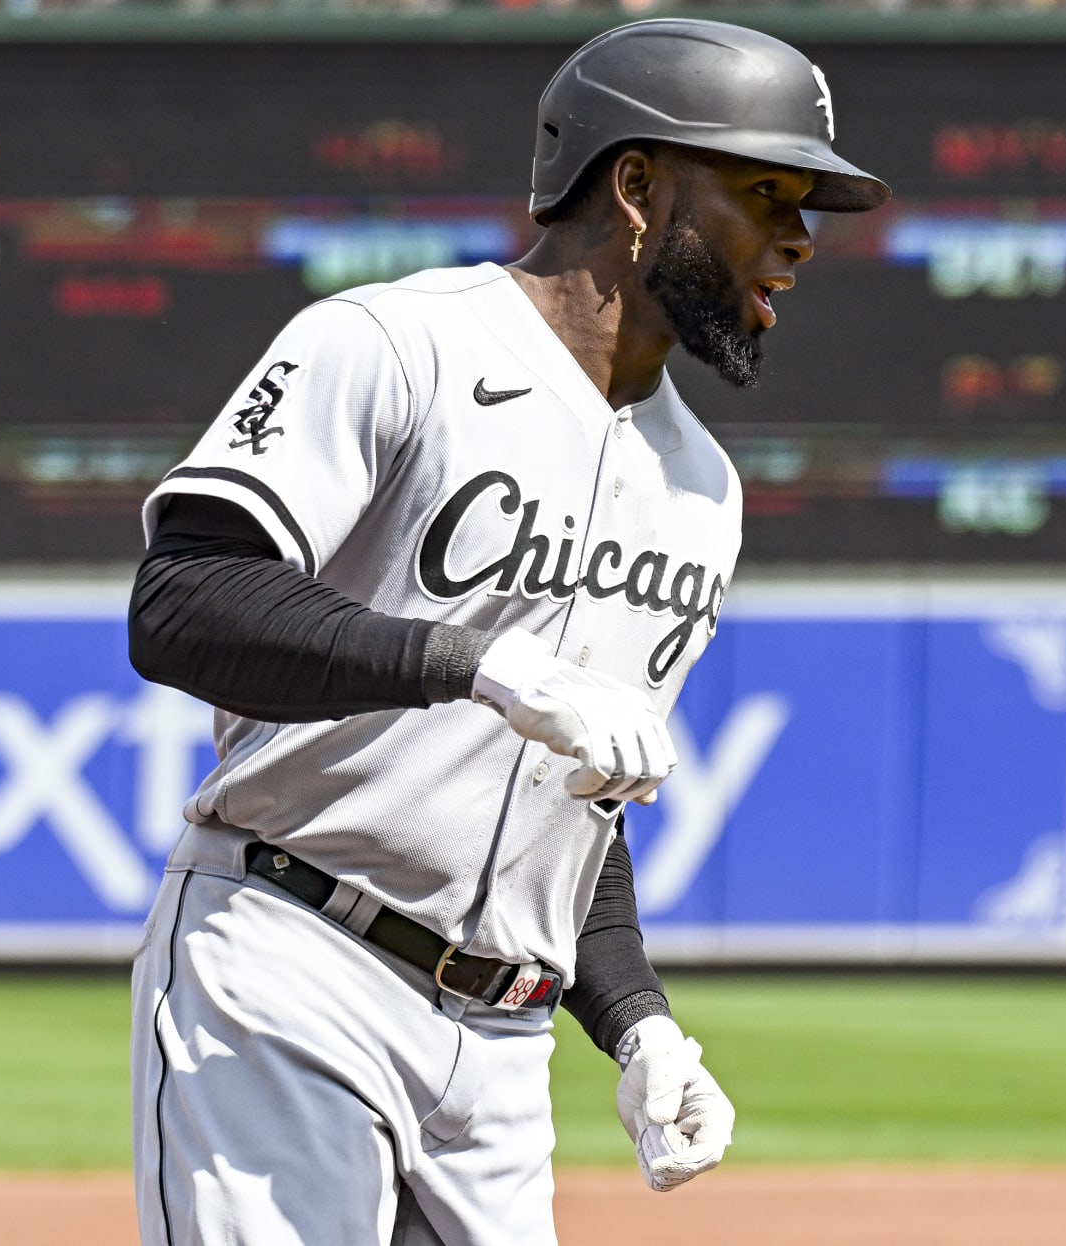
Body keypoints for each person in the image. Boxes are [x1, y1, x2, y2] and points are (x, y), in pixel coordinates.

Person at [126, 19, 888, 1245]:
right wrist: (471, 658)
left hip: (503, 1057)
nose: (799, 237)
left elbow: (574, 802)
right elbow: (184, 599)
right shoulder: (394, 344)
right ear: (635, 185)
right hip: (294, 962)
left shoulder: (702, 488)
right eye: (765, 191)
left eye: (807, 203)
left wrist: (636, 1016)